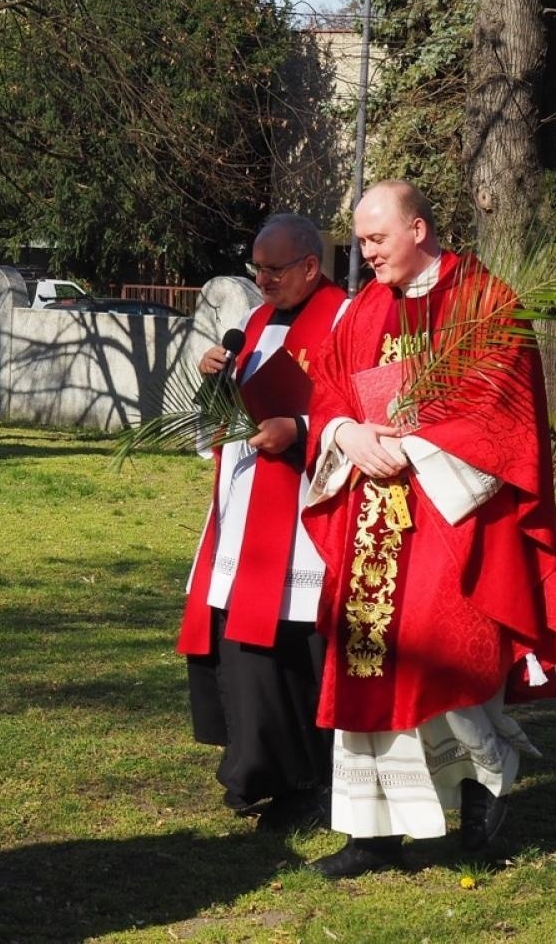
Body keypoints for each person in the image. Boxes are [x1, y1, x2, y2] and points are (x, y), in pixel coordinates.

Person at [300, 180, 556, 878]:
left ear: (418, 229)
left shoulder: (485, 302)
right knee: (370, 663)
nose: (364, 256)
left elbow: (501, 414)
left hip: (447, 516)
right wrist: (345, 433)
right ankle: (372, 832)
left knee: (441, 649)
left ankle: (486, 778)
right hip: (373, 515)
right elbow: (330, 387)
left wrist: (413, 447)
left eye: (375, 240)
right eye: (359, 242)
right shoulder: (364, 309)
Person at [179, 214, 348, 833]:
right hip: (242, 504)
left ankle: (306, 780)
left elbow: (361, 411)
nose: (262, 278)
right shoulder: (253, 323)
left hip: (301, 514)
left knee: (289, 650)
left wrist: (300, 431)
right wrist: (215, 383)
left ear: (310, 265)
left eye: (274, 269)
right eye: (257, 267)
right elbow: (233, 411)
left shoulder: (342, 319)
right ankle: (254, 769)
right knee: (238, 644)